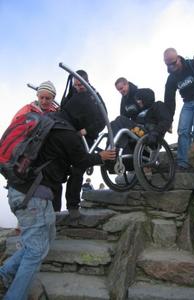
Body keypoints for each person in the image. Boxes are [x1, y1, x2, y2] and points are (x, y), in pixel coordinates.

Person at [0, 99, 116, 300]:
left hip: (20, 191)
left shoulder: (46, 121)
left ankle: (4, 275)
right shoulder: (67, 134)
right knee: (35, 252)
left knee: (47, 237)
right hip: (32, 197)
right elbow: (82, 160)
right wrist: (102, 156)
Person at [60, 70, 107, 218]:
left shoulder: (94, 96)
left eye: (80, 84)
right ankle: (54, 207)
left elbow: (103, 119)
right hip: (70, 134)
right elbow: (64, 110)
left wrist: (86, 131)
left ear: (86, 81)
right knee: (60, 166)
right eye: (76, 85)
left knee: (77, 168)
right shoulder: (72, 94)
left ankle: (73, 206)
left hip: (87, 136)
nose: (78, 87)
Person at [10, 81, 62, 212]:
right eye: (41, 97)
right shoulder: (28, 109)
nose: (44, 101)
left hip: (44, 158)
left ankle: (51, 218)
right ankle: (22, 222)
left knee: (42, 188)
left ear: (53, 98)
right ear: (37, 96)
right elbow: (13, 130)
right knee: (22, 185)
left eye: (48, 98)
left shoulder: (56, 113)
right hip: (25, 154)